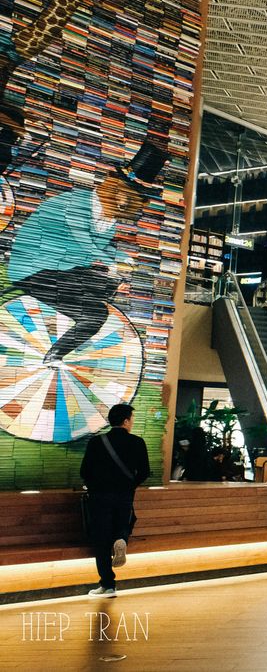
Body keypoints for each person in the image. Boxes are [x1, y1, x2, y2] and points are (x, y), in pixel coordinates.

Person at [2, 141, 167, 365]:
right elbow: (83, 238)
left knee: (109, 286)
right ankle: (54, 355)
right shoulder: (78, 202)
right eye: (129, 195)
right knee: (96, 314)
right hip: (36, 267)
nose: (128, 203)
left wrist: (121, 260)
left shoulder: (110, 221)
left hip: (63, 268)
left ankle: (63, 322)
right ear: (116, 187)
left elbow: (102, 247)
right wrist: (112, 261)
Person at [79, 403, 149, 598]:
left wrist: (96, 486)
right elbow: (144, 472)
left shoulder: (96, 442)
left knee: (101, 538)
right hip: (124, 495)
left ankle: (107, 585)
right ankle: (122, 539)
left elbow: (84, 471)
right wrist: (130, 485)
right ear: (126, 421)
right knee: (126, 522)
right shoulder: (137, 442)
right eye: (132, 419)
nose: (132, 422)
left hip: (100, 497)